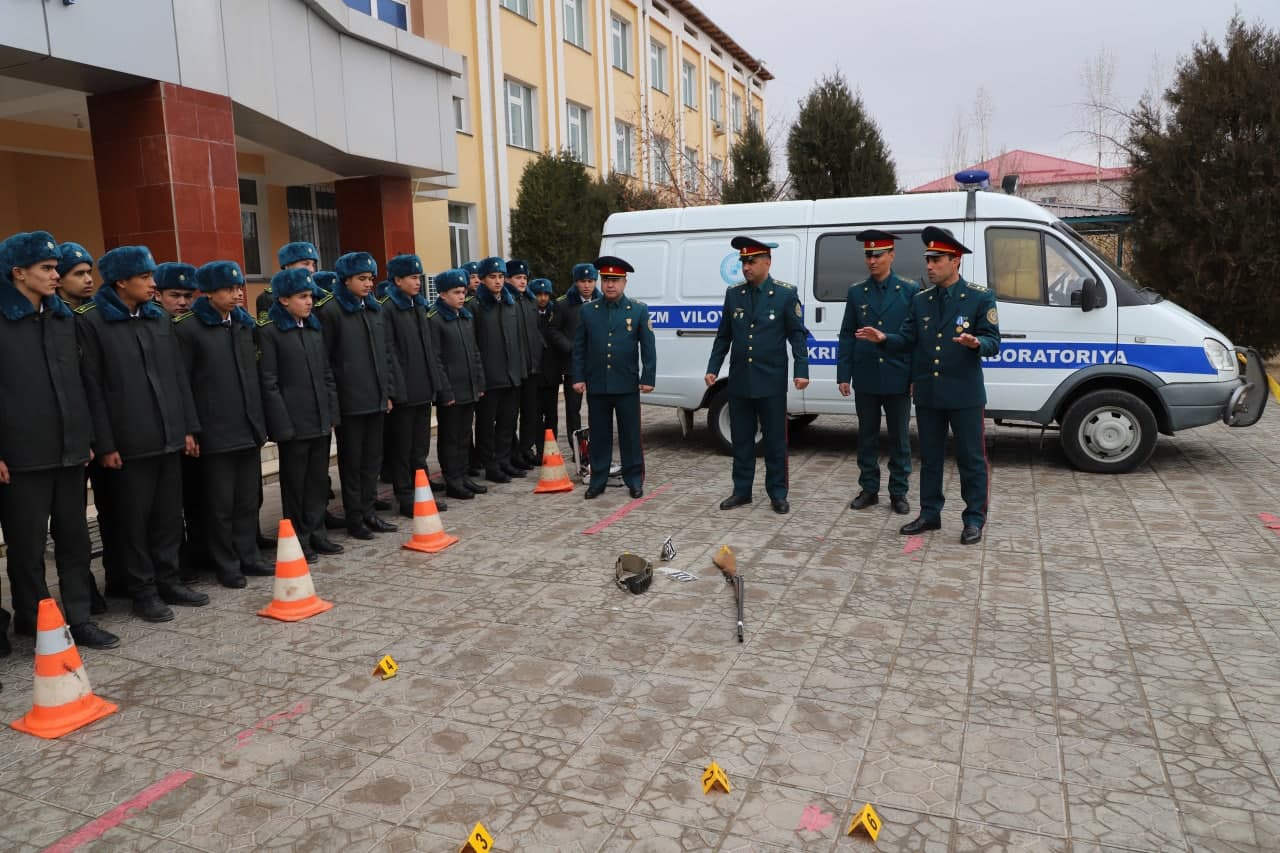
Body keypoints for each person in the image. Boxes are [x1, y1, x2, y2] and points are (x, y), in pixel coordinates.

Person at [0, 232, 118, 651]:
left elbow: (82, 385)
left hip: (69, 451)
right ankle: (34, 621)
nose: (56, 275)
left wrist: (87, 438)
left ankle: (81, 618)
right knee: (27, 547)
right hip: (22, 456)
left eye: (55, 269)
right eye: (47, 269)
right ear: (18, 273)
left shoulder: (64, 318)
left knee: (75, 539)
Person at [77, 245, 208, 622]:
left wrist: (187, 428)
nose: (153, 284)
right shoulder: (92, 322)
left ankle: (169, 580)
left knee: (168, 517)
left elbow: (177, 378)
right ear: (121, 281)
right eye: (145, 277)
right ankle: (142, 590)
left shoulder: (157, 319)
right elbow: (93, 389)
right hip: (127, 445)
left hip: (168, 437)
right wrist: (105, 444)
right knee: (133, 523)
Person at [855, 226, 1000, 545]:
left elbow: (994, 341)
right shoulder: (920, 300)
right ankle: (930, 513)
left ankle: (974, 518)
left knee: (971, 459)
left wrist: (978, 343)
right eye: (928, 260)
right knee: (930, 458)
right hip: (929, 394)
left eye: (936, 260)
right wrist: (884, 339)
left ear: (955, 260)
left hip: (964, 394)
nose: (929, 266)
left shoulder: (978, 297)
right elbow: (907, 339)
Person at [175, 260, 270, 588]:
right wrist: (191, 428)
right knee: (219, 505)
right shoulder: (188, 329)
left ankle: (249, 556)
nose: (237, 294)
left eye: (239, 287)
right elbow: (182, 383)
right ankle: (226, 562)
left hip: (247, 427)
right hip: (215, 432)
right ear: (209, 292)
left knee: (247, 499)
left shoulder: (243, 325)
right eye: (228, 289)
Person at [705, 236, 809, 515]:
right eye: (743, 262)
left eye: (751, 261)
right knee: (741, 438)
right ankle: (742, 491)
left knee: (775, 440)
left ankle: (777, 493)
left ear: (767, 262)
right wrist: (713, 368)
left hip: (771, 380)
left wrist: (802, 370)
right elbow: (723, 335)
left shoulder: (785, 294)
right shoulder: (734, 294)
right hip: (740, 380)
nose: (746, 267)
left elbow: (797, 337)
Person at [258, 268, 343, 563]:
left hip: (319, 419)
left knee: (318, 480)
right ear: (283, 300)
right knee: (296, 484)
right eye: (303, 297)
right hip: (293, 424)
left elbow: (326, 373)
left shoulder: (313, 327)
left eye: (311, 297)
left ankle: (318, 532)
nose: (309, 302)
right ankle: (299, 538)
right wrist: (281, 425)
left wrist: (331, 411)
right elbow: (269, 383)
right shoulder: (270, 332)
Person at [837, 230, 918, 515]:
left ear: (891, 255)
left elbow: (915, 338)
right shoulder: (857, 291)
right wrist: (843, 375)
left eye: (878, 255)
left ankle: (899, 493)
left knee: (899, 439)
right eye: (868, 255)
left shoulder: (909, 290)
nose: (872, 260)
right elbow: (847, 335)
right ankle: (869, 489)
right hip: (867, 375)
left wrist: (914, 377)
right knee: (866, 437)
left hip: (898, 376)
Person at [319, 251, 397, 540]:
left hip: (375, 399)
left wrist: (387, 392)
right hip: (350, 402)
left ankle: (369, 512)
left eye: (371, 279)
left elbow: (384, 355)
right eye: (361, 279)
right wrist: (334, 404)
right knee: (352, 463)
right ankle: (355, 519)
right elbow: (326, 361)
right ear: (345, 279)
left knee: (372, 461)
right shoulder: (330, 310)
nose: (368, 284)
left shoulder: (375, 309)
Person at [571, 256, 656, 499]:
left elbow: (648, 346)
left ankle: (634, 479)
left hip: (626, 383)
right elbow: (579, 347)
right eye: (607, 280)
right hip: (597, 384)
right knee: (599, 435)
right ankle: (597, 480)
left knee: (630, 435)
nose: (610, 285)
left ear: (624, 282)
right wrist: (578, 377)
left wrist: (648, 375)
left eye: (615, 280)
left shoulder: (638, 310)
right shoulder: (588, 310)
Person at [152, 262, 208, 581]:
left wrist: (191, 428)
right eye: (175, 295)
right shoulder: (155, 325)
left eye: (188, 295)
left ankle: (192, 557)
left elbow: (186, 384)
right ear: (157, 294)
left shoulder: (185, 326)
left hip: (187, 428)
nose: (183, 302)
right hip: (161, 432)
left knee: (192, 499)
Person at [380, 254, 448, 517]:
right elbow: (389, 353)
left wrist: (434, 382)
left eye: (419, 277)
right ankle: (406, 496)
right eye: (412, 278)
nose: (418, 282)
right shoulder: (387, 308)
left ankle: (422, 493)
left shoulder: (419, 306)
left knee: (419, 449)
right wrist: (395, 390)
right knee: (402, 449)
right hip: (403, 392)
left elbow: (429, 350)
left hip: (422, 388)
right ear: (397, 280)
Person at [428, 269, 488, 500]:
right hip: (451, 390)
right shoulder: (435, 319)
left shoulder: (465, 317)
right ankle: (452, 479)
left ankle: (463, 476)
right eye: (456, 292)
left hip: (469, 387)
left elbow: (474, 352)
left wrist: (479, 381)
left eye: (463, 292)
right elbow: (436, 359)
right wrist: (445, 391)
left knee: (464, 436)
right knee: (450, 437)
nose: (462, 296)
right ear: (442, 294)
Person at [472, 257, 527, 483]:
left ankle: (504, 460)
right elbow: (473, 345)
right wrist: (479, 378)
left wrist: (520, 370)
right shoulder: (474, 306)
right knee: (486, 424)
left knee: (508, 421)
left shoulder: (510, 303)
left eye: (501, 277)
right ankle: (491, 464)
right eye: (492, 277)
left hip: (511, 374)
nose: (497, 281)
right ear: (483, 279)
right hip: (489, 376)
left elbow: (517, 340)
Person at [549, 263, 600, 441]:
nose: (587, 285)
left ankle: (596, 442)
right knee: (573, 408)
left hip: (596, 364)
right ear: (575, 282)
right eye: (582, 281)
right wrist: (569, 346)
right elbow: (553, 330)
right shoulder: (563, 304)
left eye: (590, 281)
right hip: (573, 365)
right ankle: (577, 446)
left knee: (598, 406)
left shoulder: (602, 303)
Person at [505, 259, 542, 470]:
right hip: (514, 368)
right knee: (511, 415)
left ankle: (526, 449)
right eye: (518, 278)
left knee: (531, 412)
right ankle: (512, 452)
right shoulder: (508, 301)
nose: (522, 281)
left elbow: (535, 333)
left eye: (525, 278)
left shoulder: (529, 301)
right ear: (509, 279)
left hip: (531, 367)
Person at [529, 277, 560, 453]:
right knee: (535, 414)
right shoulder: (529, 313)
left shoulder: (554, 312)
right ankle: (540, 448)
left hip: (552, 372)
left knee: (552, 414)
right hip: (535, 372)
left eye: (546, 294)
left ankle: (552, 447)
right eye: (538, 294)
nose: (542, 298)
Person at [258, 242, 321, 325]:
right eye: (306, 264)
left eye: (313, 265)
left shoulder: (321, 294)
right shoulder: (268, 297)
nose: (312, 269)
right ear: (287, 266)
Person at [55, 241, 96, 309]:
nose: (89, 280)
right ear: (58, 281)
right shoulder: (46, 315)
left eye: (89, 272)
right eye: (79, 274)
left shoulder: (103, 311)